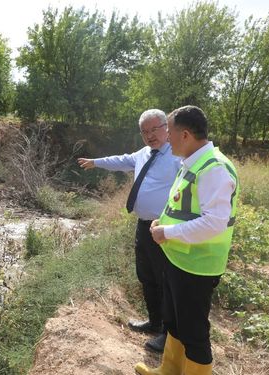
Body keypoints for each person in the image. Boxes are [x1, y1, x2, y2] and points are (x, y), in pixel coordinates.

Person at [135, 105, 239, 375]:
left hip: (198, 265)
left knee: (194, 333)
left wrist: (166, 233)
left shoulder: (214, 168)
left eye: (169, 131)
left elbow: (214, 223)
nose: (166, 137)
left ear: (185, 135)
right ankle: (169, 370)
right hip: (178, 258)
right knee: (175, 322)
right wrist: (163, 222)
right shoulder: (190, 161)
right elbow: (182, 208)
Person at [77, 109, 181, 353]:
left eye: (154, 129)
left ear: (166, 127)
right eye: (145, 131)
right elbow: (121, 160)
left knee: (166, 281)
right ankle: (154, 322)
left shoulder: (178, 156)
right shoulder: (143, 153)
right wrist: (95, 163)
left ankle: (168, 335)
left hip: (164, 229)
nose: (149, 135)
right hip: (143, 226)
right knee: (147, 277)